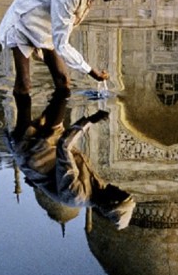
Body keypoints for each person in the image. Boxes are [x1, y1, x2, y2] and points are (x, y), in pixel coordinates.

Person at [0, 0, 135, 95]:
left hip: (46, 27)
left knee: (63, 80)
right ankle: (23, 117)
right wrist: (91, 72)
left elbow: (63, 28)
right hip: (24, 21)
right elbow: (62, 44)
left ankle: (51, 118)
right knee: (24, 85)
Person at [9, 90, 135, 230]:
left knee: (24, 100)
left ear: (112, 202)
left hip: (32, 153)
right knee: (62, 92)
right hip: (52, 147)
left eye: (120, 192)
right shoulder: (99, 187)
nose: (118, 187)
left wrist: (90, 120)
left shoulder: (76, 195)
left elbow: (64, 147)